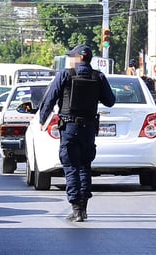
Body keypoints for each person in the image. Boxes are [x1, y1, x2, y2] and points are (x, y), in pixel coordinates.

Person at [39, 44, 116, 222]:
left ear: (79, 58)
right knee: (84, 167)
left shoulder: (65, 75)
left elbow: (50, 99)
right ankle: (83, 208)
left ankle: (76, 209)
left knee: (71, 167)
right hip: (88, 130)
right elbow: (110, 101)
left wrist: (42, 120)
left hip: (69, 129)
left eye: (72, 57)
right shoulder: (99, 77)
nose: (70, 60)